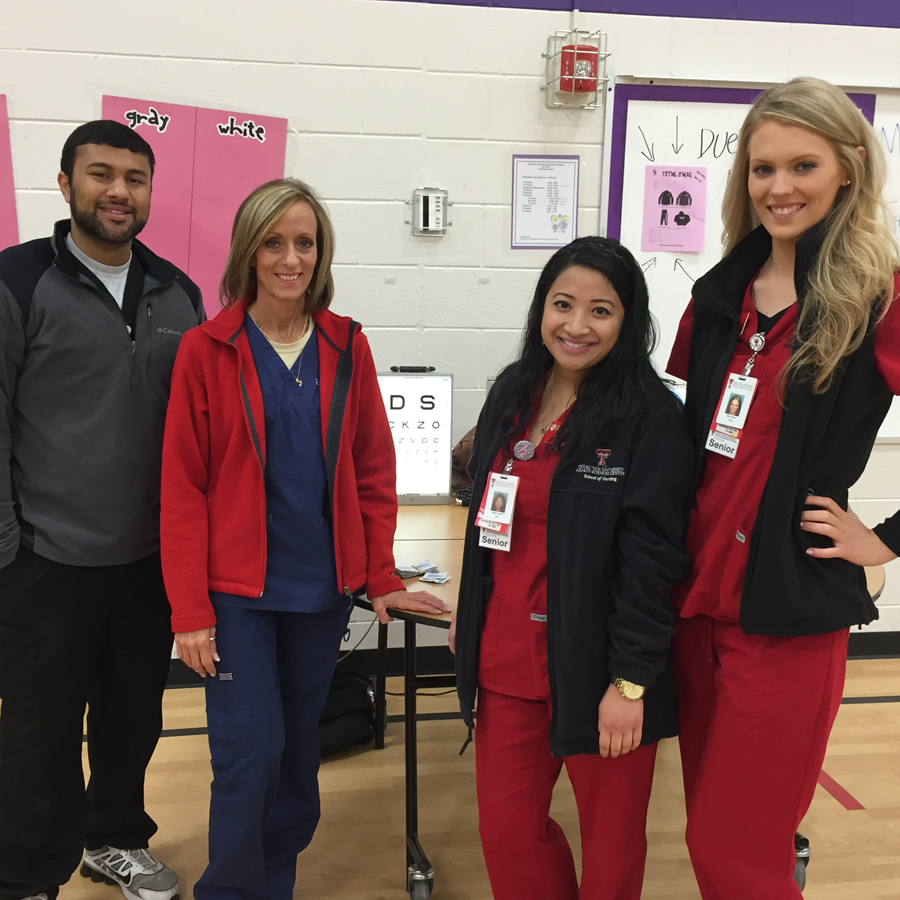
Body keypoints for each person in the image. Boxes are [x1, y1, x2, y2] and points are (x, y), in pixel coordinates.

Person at [160, 178, 449, 900]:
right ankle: (229, 892)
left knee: (295, 755)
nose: (291, 258)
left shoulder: (347, 344)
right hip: (237, 600)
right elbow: (181, 490)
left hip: (321, 594)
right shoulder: (206, 348)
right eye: (274, 242)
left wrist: (379, 573)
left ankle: (273, 884)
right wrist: (190, 611)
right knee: (249, 751)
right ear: (249, 251)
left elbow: (374, 468)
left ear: (320, 253)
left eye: (305, 243)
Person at [666, 77, 900, 899]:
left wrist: (890, 540)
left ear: (849, 169)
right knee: (717, 837)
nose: (779, 187)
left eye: (803, 165)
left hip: (787, 618)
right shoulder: (717, 296)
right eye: (762, 169)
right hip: (694, 606)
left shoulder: (878, 297)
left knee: (732, 851)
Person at [451, 237, 693, 900]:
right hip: (508, 661)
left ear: (629, 322)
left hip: (601, 668)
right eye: (563, 304)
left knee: (611, 851)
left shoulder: (652, 419)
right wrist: (469, 616)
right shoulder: (512, 392)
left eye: (600, 311)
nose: (576, 326)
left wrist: (632, 683)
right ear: (541, 309)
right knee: (506, 831)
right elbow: (485, 520)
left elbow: (654, 559)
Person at [0, 121, 205, 900]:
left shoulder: (176, 293)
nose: (118, 191)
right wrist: (7, 549)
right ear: (65, 185)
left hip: (149, 563)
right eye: (101, 174)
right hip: (44, 561)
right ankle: (25, 872)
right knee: (38, 732)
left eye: (134, 178)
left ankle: (114, 838)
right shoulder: (17, 283)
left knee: (133, 722)